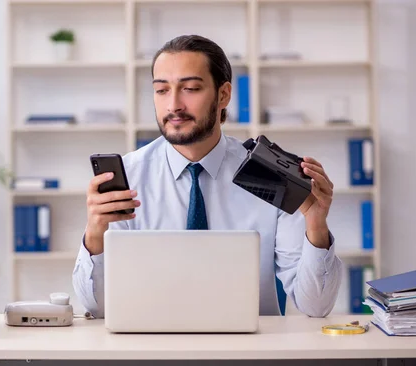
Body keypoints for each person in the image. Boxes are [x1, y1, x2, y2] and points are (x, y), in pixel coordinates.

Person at [72, 34, 343, 319]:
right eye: (162, 90)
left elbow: (316, 306)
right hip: (152, 351)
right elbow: (97, 308)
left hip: (250, 354)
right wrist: (95, 234)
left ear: (223, 95)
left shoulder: (271, 177)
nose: (174, 105)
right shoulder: (129, 177)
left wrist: (316, 225)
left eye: (190, 88)